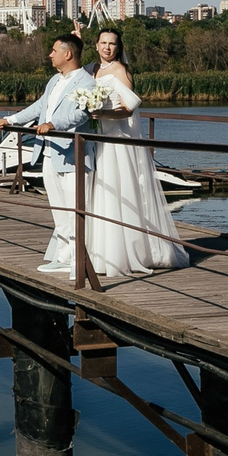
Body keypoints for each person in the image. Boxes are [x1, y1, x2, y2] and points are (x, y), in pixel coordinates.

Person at [84, 29, 188, 277]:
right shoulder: (92, 70)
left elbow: (129, 108)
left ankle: (127, 253)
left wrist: (103, 114)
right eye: (104, 43)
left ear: (118, 47)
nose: (108, 47)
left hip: (117, 140)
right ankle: (101, 253)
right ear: (96, 45)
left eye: (113, 44)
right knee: (101, 192)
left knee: (120, 191)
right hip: (98, 139)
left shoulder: (121, 71)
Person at [0, 36, 97, 273]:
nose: (50, 55)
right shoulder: (53, 80)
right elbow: (39, 106)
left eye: (53, 50)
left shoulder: (87, 83)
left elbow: (81, 115)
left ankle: (79, 261)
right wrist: (10, 119)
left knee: (76, 210)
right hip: (49, 152)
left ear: (67, 54)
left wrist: (53, 123)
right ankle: (63, 257)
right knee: (59, 210)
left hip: (72, 155)